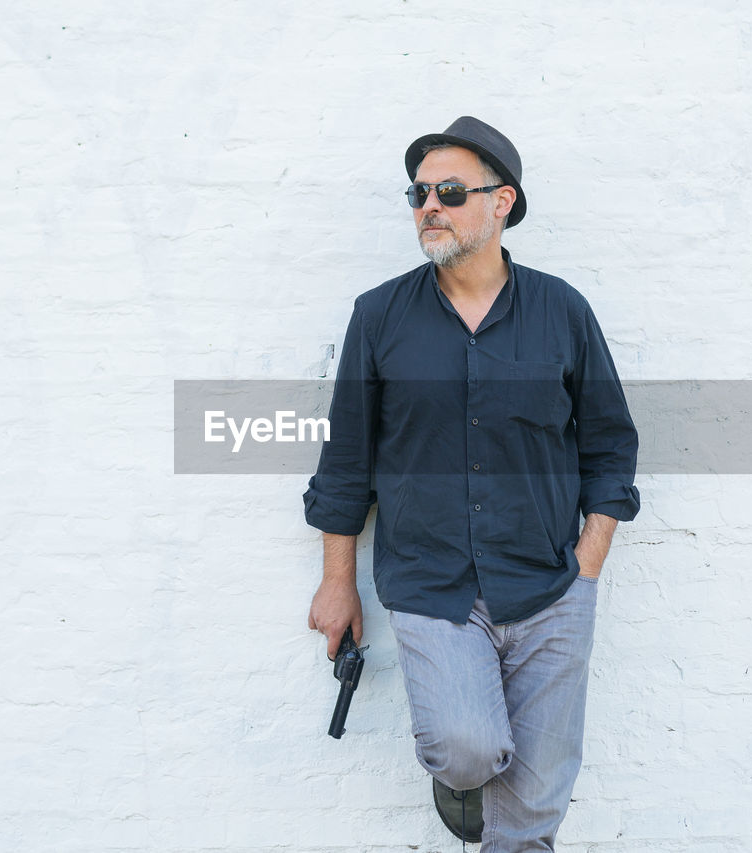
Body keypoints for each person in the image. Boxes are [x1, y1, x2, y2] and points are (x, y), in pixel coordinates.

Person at [303, 116, 640, 851]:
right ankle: (464, 787)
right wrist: (338, 582)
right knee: (468, 747)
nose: (430, 205)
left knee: (535, 806)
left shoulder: (562, 311)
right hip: (433, 585)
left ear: (502, 203)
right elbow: (346, 461)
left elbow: (611, 443)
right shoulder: (380, 316)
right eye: (419, 192)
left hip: (550, 584)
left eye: (450, 192)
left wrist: (589, 562)